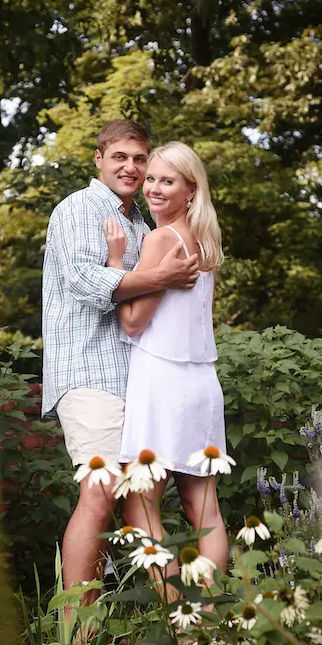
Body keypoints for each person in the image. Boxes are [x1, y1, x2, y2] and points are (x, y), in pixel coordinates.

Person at [41, 120, 199, 598]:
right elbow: (88, 284)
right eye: (120, 158)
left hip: (135, 379)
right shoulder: (77, 209)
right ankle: (77, 637)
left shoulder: (141, 224)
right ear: (99, 159)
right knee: (100, 491)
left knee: (138, 504)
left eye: (139, 159)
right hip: (89, 371)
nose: (131, 168)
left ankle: (174, 625)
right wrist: (162, 277)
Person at [104, 141, 229, 581]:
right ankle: (212, 620)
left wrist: (118, 264)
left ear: (190, 190)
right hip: (201, 382)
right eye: (151, 178)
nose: (154, 188)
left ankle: (179, 621)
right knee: (204, 508)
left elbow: (134, 323)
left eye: (167, 181)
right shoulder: (205, 240)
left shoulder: (161, 238)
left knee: (140, 506)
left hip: (161, 380)